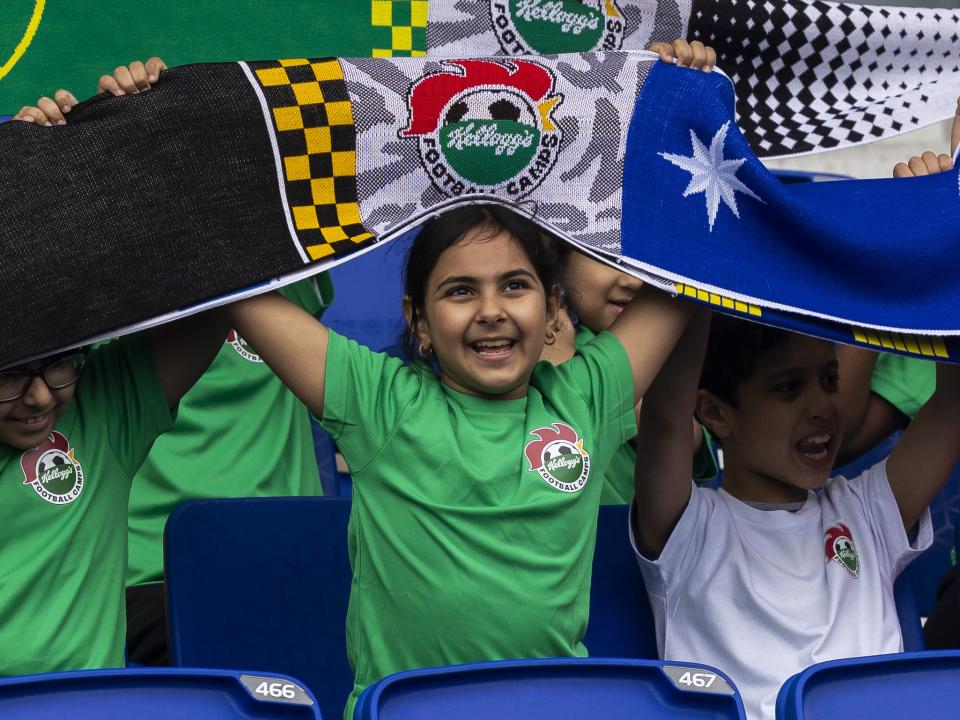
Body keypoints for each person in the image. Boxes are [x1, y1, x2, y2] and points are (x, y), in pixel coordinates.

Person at [228, 201, 698, 716]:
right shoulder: (378, 404)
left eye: (515, 285)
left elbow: (700, 258)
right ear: (420, 322)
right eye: (461, 291)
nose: (491, 310)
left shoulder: (587, 397)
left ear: (553, 309)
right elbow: (232, 285)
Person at [17, 58, 337, 666]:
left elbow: (292, 177)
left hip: (282, 557)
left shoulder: (261, 263)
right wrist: (40, 171)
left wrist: (182, 130)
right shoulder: (77, 301)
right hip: (133, 577)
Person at [633, 299, 960, 719]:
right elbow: (667, 415)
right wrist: (701, 274)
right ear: (715, 412)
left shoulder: (867, 512)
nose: (823, 408)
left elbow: (952, 406)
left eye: (829, 380)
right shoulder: (689, 528)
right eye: (788, 387)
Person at [0, 308, 226, 676]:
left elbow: (219, 296)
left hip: (91, 705)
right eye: (9, 376)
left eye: (59, 364)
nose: (40, 398)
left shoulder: (101, 410)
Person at [544, 246, 718, 502]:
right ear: (559, 261)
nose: (634, 280)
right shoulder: (527, 345)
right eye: (609, 257)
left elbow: (688, 440)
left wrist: (565, 364)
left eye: (648, 261)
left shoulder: (667, 348)